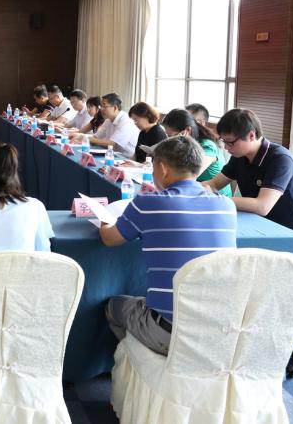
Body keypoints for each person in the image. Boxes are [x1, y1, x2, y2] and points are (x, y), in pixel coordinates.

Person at [99, 136, 237, 356]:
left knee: (113, 306)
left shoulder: (147, 203)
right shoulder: (226, 205)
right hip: (221, 330)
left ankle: (140, 361)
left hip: (170, 332)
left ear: (162, 168)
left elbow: (110, 238)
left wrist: (104, 218)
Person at [202, 109, 293, 256]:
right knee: (217, 251)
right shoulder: (239, 156)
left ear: (251, 135)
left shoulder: (280, 159)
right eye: (223, 141)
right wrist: (196, 188)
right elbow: (214, 184)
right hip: (261, 226)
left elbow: (262, 206)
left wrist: (217, 198)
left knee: (226, 256)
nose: (226, 148)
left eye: (230, 142)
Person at [161, 109, 232, 197]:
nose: (169, 140)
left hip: (216, 197)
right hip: (196, 192)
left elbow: (188, 176)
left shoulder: (207, 147)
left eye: (171, 136)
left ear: (187, 131)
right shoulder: (186, 144)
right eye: (167, 136)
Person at [89, 93, 140, 158]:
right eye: (100, 106)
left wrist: (88, 139)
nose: (101, 109)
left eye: (104, 106)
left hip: (126, 159)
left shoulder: (126, 121)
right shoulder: (108, 120)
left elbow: (112, 144)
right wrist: (90, 139)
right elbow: (96, 137)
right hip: (112, 155)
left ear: (115, 108)